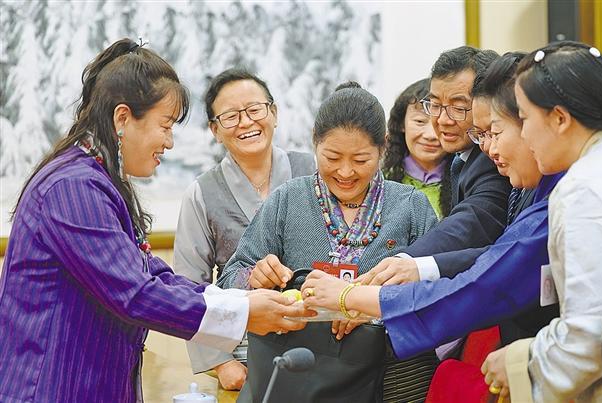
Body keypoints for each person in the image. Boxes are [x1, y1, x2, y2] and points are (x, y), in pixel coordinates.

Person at [0, 39, 308, 402]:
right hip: (54, 387)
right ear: (122, 119)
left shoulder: (97, 181)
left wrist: (241, 301)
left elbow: (154, 275)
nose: (170, 142)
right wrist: (243, 312)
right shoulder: (72, 187)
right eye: (165, 126)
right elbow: (135, 292)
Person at [298, 52, 562, 402]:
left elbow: (487, 277)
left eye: (494, 131)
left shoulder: (562, 191)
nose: (489, 147)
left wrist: (358, 295)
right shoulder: (289, 198)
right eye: (434, 105)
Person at [217, 82, 438, 402]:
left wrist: (373, 307)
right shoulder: (288, 200)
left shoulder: (410, 206)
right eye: (332, 157)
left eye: (360, 160)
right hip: (297, 380)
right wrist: (254, 277)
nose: (345, 172)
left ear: (383, 147)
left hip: (394, 384)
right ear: (315, 142)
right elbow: (228, 280)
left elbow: (436, 297)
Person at [479, 42, 602, 402]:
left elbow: (591, 336)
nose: (523, 134)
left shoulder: (587, 190)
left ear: (559, 118)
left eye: (524, 118)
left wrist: (523, 361)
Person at [174, 69, 315, 390]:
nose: (246, 122)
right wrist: (220, 362)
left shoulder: (313, 170)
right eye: (231, 116)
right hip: (244, 351)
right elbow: (188, 286)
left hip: (320, 342)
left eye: (254, 109)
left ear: (273, 113)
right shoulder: (202, 193)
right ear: (215, 130)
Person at [366, 46, 513, 285]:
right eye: (434, 105)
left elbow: (474, 221)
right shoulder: (462, 158)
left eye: (458, 108)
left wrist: (407, 263)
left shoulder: (492, 159)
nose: (443, 120)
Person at [382, 78, 452, 219]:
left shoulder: (465, 181)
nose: (430, 135)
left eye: (440, 123)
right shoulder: (379, 178)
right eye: (420, 121)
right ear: (401, 124)